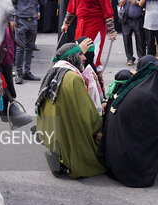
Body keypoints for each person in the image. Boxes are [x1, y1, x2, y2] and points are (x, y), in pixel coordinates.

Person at [100, 59, 158, 187]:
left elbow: (154, 104)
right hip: (125, 163)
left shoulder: (139, 85)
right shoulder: (147, 98)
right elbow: (153, 132)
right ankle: (146, 164)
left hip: (113, 152)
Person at [35, 42, 106, 178]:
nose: (84, 58)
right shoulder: (73, 78)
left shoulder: (54, 69)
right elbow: (88, 113)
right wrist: (99, 127)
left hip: (49, 129)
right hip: (66, 131)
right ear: (72, 57)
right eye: (81, 55)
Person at [62, 0, 117, 71]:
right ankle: (81, 75)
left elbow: (108, 11)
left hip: (96, 25)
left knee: (93, 53)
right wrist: (66, 23)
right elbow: (72, 7)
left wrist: (111, 31)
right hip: (80, 24)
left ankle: (93, 76)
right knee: (79, 51)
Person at [11, 0, 44, 84]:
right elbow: (11, 3)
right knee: (20, 48)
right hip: (21, 20)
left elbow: (44, 2)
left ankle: (27, 72)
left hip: (33, 21)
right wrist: (11, 19)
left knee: (30, 47)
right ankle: (19, 74)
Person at [118, 0, 146, 65]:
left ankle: (141, 58)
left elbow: (145, 5)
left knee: (140, 39)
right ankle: (130, 58)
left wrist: (137, 2)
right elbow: (120, 4)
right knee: (127, 39)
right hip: (127, 20)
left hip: (138, 19)